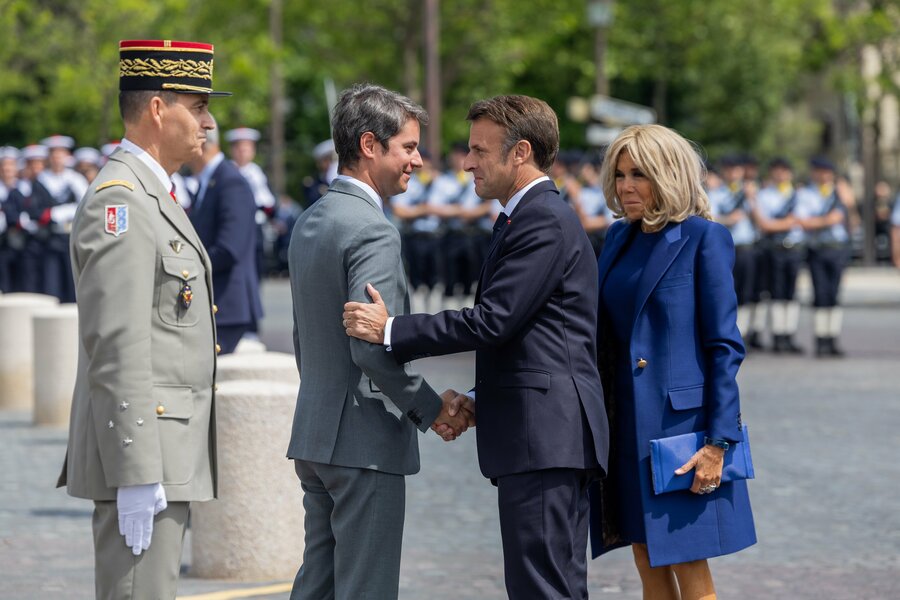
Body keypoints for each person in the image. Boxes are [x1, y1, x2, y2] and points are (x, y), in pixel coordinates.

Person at [344, 94, 609, 599]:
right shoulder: (525, 216)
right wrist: (478, 400)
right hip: (540, 434)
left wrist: (391, 330)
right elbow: (534, 340)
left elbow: (493, 321)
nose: (467, 162)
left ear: (520, 152)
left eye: (479, 150)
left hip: (544, 439)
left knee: (542, 588)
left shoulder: (541, 219)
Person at [56, 39, 229, 600]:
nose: (208, 122)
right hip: (144, 454)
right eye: (197, 107)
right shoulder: (124, 201)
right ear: (158, 108)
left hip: (164, 450)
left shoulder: (152, 193)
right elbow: (117, 343)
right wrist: (135, 470)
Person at [286, 83, 469, 600]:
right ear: (370, 145)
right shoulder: (373, 230)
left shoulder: (310, 220)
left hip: (317, 432)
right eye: (408, 147)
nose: (418, 160)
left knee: (317, 585)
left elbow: (305, 335)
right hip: (364, 441)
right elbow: (370, 346)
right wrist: (431, 408)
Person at [589, 124, 756, 600]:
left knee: (687, 562)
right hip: (623, 426)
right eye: (620, 175)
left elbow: (724, 347)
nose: (626, 186)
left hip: (682, 432)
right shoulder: (618, 238)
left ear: (669, 175)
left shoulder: (704, 238)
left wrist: (719, 442)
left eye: (639, 174)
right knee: (645, 557)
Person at [188, 119, 263, 354]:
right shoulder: (212, 180)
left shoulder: (230, 182)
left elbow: (229, 248)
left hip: (227, 307)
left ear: (202, 143)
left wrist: (185, 266)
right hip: (216, 304)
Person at [797, 157, 852, 356]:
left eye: (827, 172)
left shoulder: (839, 193)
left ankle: (832, 338)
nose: (824, 176)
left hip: (837, 247)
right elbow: (803, 221)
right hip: (818, 248)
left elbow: (852, 219)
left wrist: (848, 201)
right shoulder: (805, 194)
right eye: (820, 172)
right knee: (820, 293)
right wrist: (827, 220)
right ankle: (820, 339)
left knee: (834, 294)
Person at [753, 157, 806, 353]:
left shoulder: (800, 194)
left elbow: (805, 220)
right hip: (775, 248)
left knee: (792, 293)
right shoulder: (765, 195)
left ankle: (788, 334)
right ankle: (777, 335)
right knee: (776, 291)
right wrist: (787, 223)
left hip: (794, 247)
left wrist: (782, 224)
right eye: (777, 170)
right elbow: (764, 224)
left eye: (784, 170)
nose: (780, 174)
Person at [709, 154, 758, 343]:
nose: (733, 173)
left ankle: (742, 332)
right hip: (726, 248)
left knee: (746, 292)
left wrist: (752, 199)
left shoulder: (750, 192)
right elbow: (709, 217)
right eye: (729, 169)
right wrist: (727, 219)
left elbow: (761, 220)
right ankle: (727, 332)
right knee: (727, 291)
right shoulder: (716, 193)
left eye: (736, 169)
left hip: (746, 247)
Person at [225, 126, 276, 279]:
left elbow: (269, 203)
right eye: (239, 148)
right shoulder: (227, 171)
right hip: (234, 226)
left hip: (255, 227)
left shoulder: (257, 173)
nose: (243, 152)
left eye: (247, 148)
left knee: (256, 270)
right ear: (232, 150)